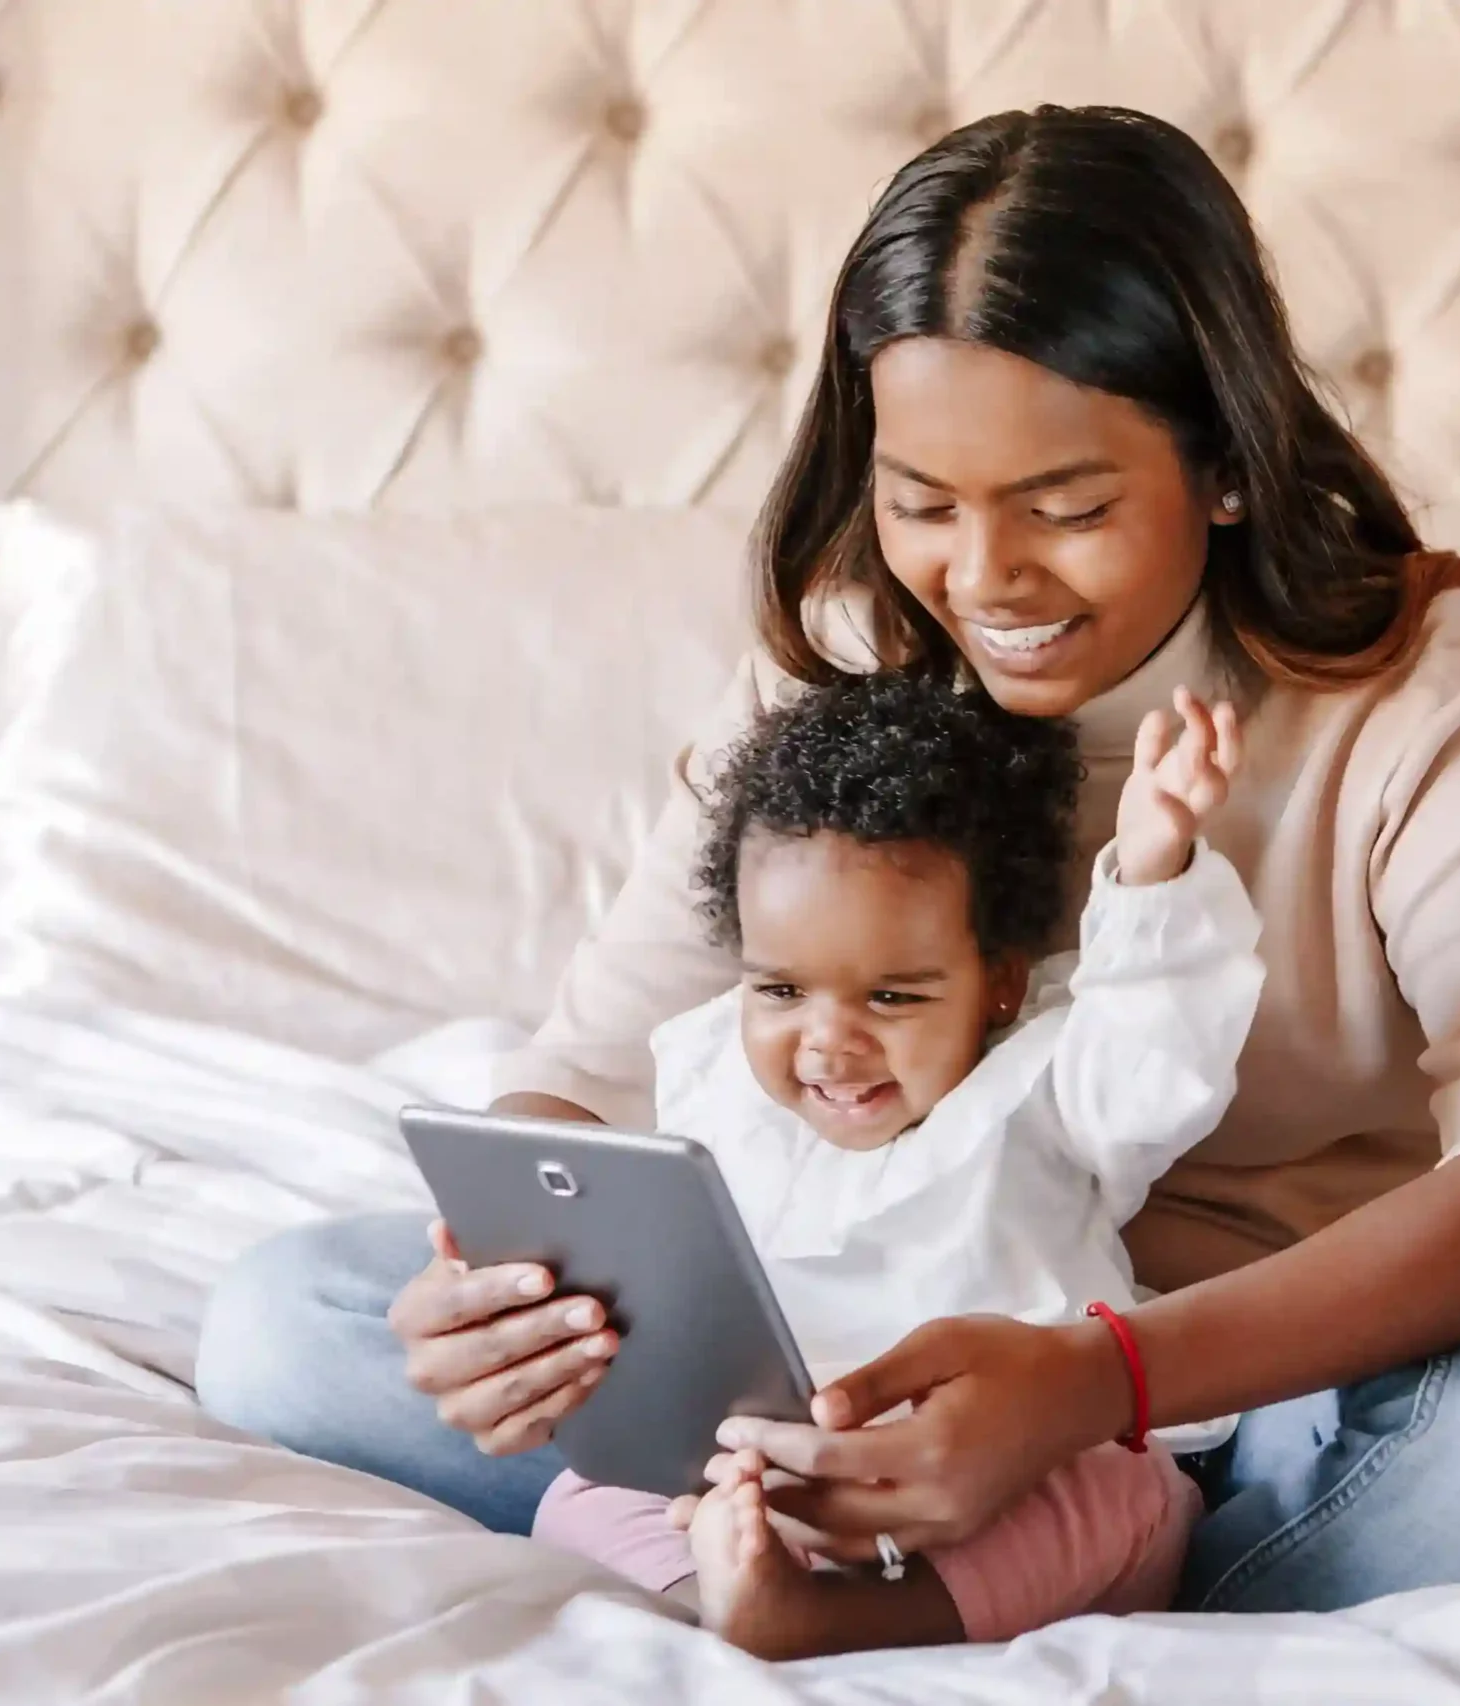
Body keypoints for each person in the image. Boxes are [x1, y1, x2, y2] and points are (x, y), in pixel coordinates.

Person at [197, 102, 1460, 1617]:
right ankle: (910, 1561)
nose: (984, 579)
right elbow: (593, 1080)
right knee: (286, 1319)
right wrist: (498, 1289)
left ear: (1229, 466)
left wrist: (1094, 1384)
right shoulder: (847, 668)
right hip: (857, 1342)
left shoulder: (1422, 700)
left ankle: (1071, 1554)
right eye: (922, 505)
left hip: (1261, 1389)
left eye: (1070, 509)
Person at [532, 668, 1260, 1658]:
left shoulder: (1047, 1080)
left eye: (892, 998)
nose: (828, 1043)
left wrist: (1151, 870)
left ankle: (828, 1621)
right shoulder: (709, 1073)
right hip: (782, 1465)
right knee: (581, 1493)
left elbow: (1158, 1062)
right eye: (781, 987)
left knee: (1124, 1493)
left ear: (997, 983)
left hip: (1014, 1469)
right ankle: (724, 1580)